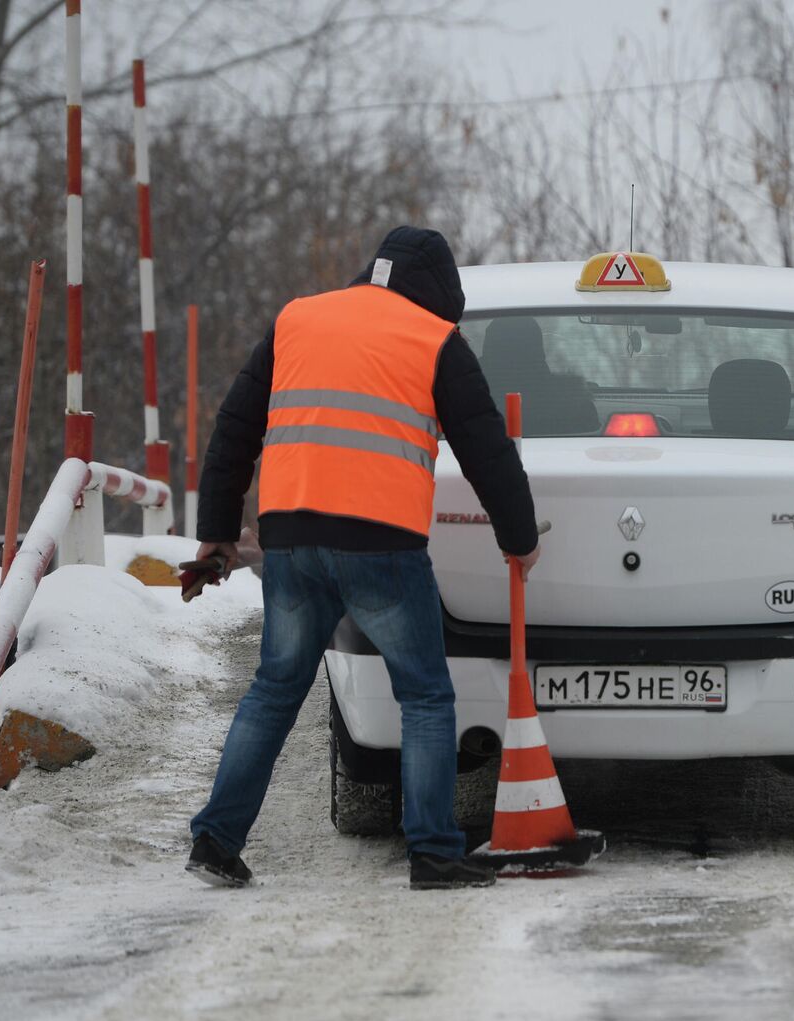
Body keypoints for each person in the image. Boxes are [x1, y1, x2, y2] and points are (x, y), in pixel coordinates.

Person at [186, 227, 538, 890]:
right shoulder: (436, 340)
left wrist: (216, 530)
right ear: (440, 293)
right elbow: (486, 449)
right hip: (381, 543)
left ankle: (215, 841)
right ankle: (434, 851)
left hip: (291, 538)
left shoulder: (297, 318)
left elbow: (236, 426)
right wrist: (518, 538)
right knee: (426, 695)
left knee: (273, 690)